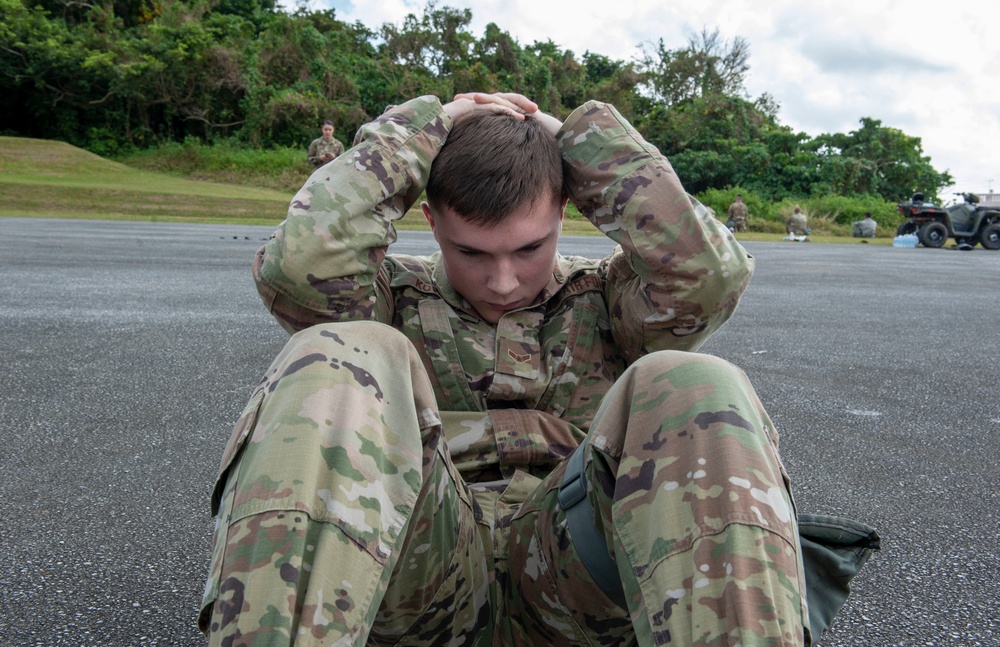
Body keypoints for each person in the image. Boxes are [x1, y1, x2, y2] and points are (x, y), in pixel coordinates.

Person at [200, 92, 811, 646]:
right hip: (419, 577)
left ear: (566, 215)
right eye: (471, 252)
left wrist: (578, 139)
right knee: (335, 353)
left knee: (699, 381)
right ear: (431, 221)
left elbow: (711, 273)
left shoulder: (608, 299)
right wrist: (424, 128)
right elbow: (299, 261)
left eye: (529, 248)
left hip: (578, 578)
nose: (503, 281)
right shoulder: (388, 300)